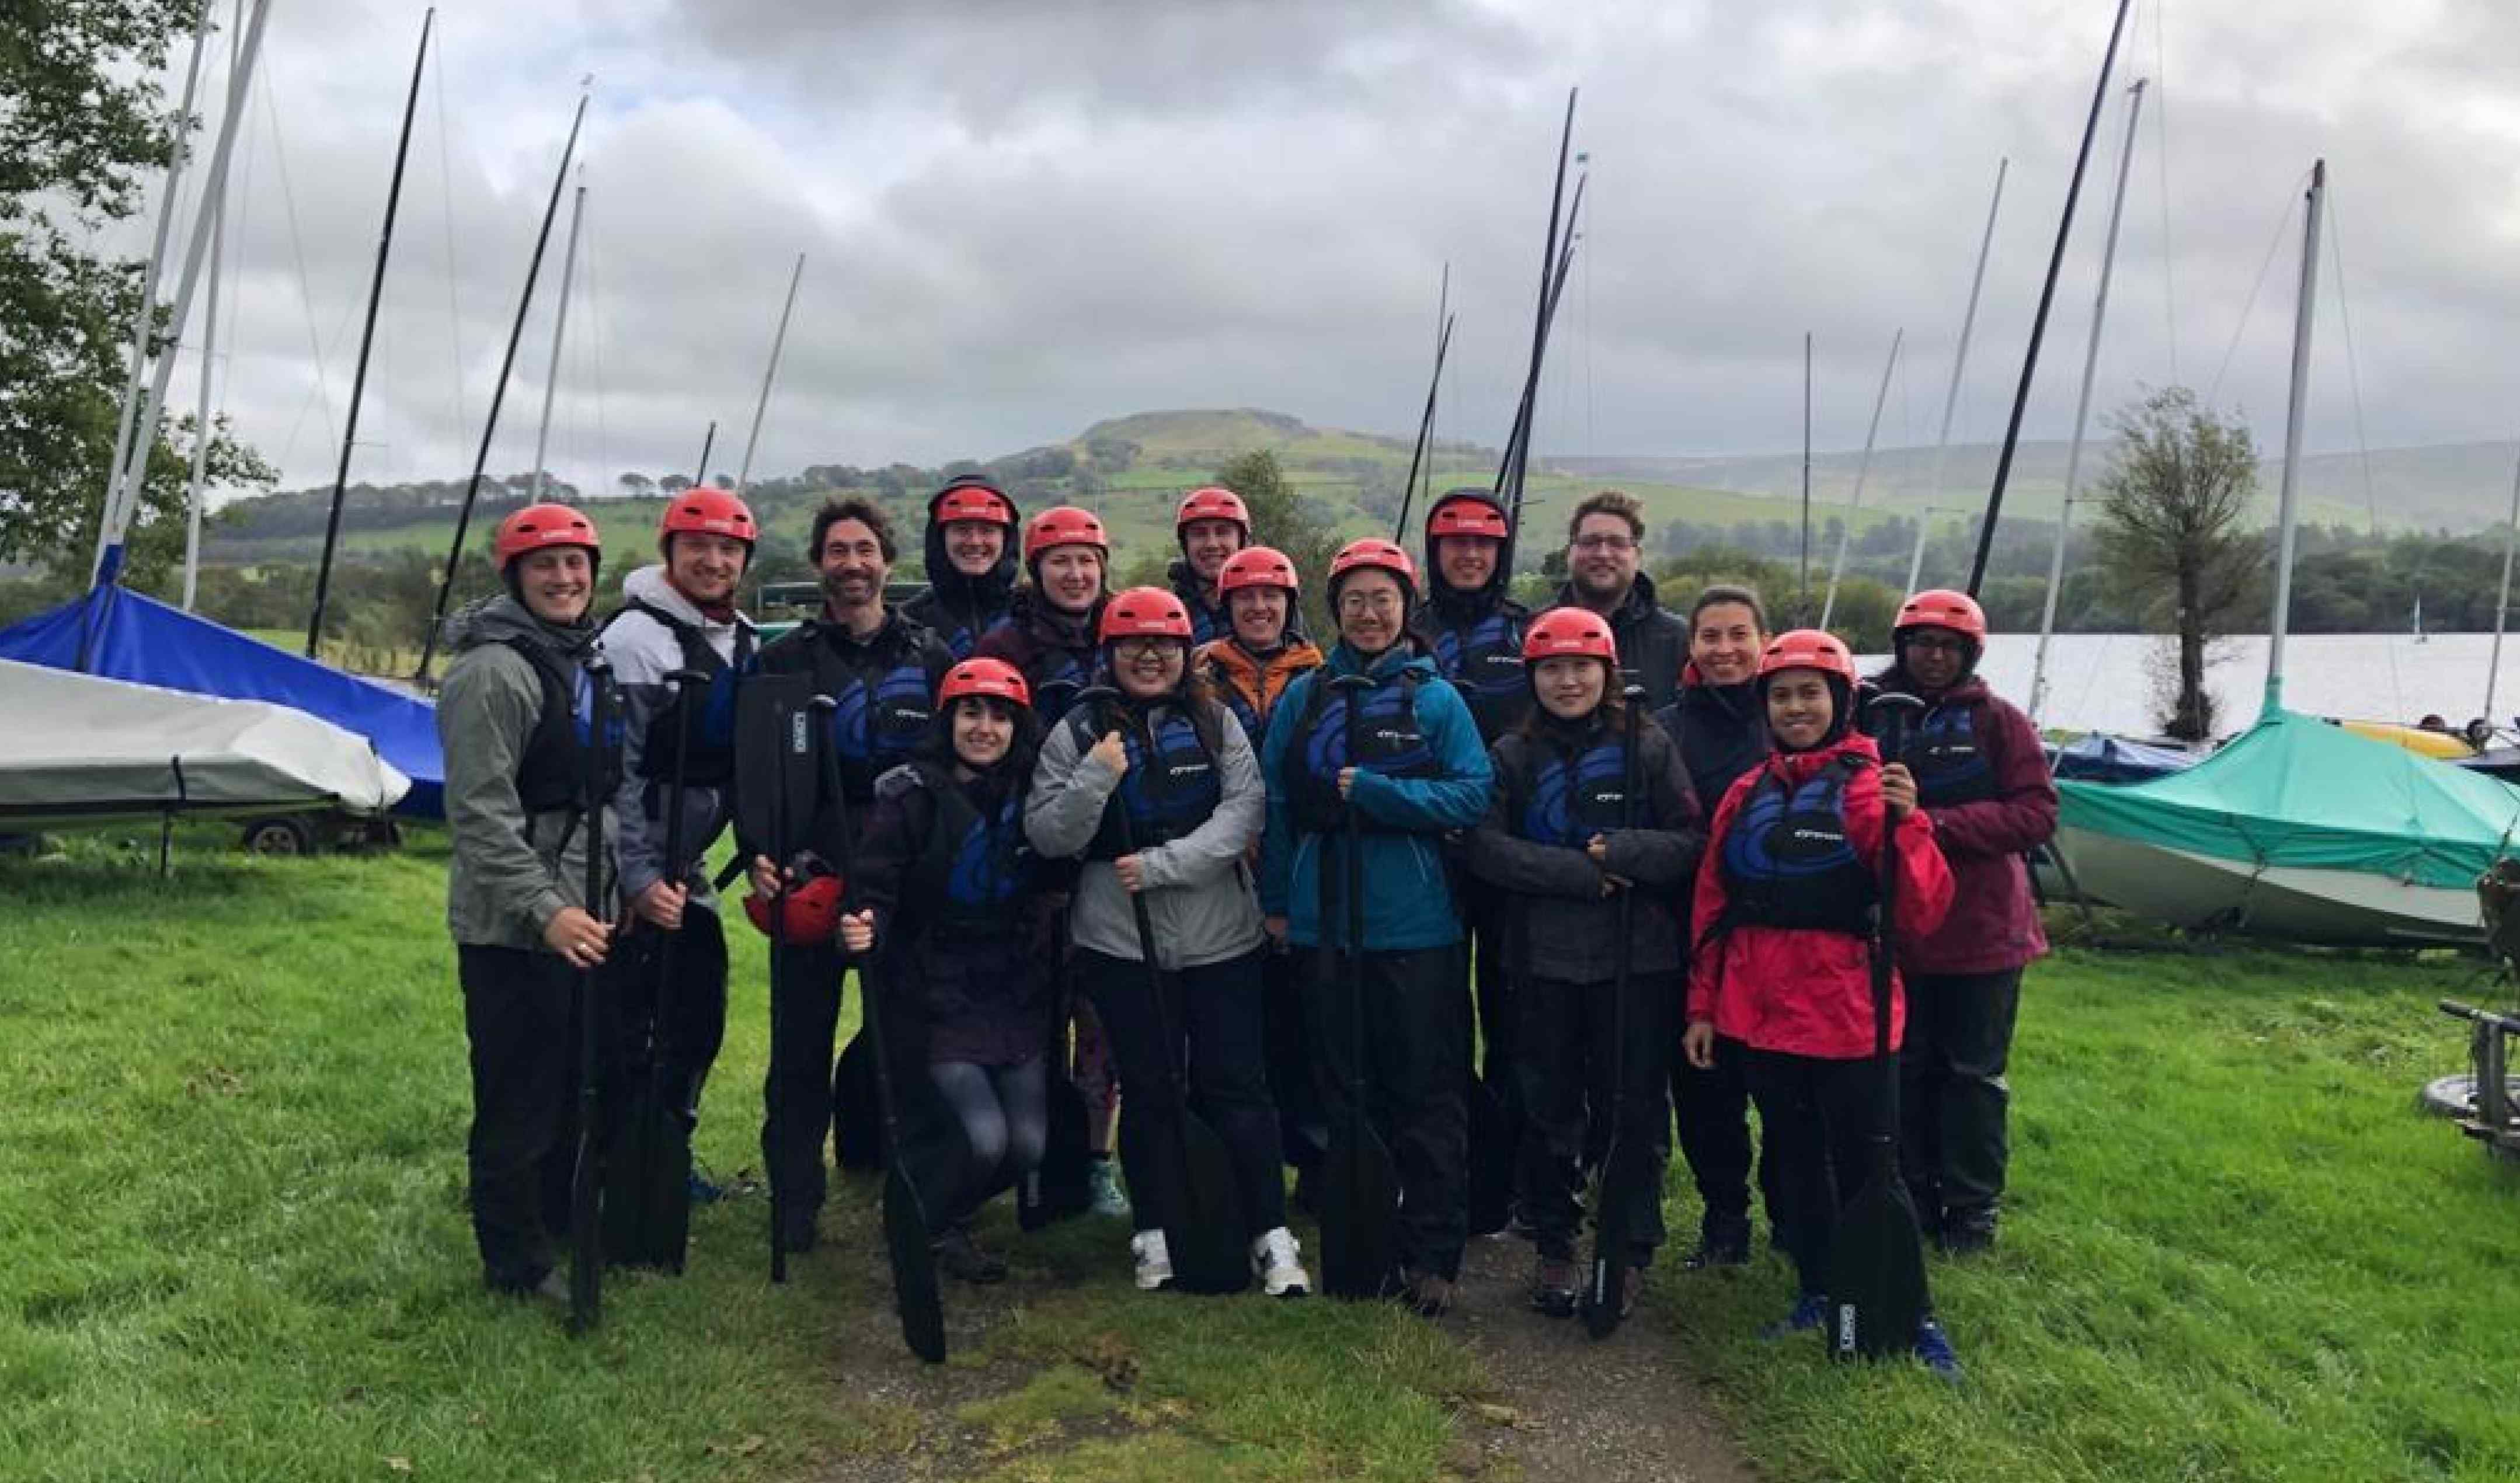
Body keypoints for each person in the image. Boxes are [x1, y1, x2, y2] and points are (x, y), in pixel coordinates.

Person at [1681, 629, 1959, 1377]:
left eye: (1810, 693)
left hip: (1848, 1012)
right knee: (1793, 1159)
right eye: (1781, 694)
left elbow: (1924, 909)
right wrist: (1702, 1006)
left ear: (1841, 701)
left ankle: (1909, 1308)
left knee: (1873, 1163)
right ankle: (1815, 1286)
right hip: (1760, 1009)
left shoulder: (1875, 787)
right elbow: (1711, 905)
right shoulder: (1748, 791)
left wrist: (1909, 824)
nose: (1795, 706)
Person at [1025, 587, 1310, 1296]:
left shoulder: (1214, 721)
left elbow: (1245, 810)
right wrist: (1096, 777)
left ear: (1186, 653)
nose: (1149, 656)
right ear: (1110, 653)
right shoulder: (1077, 728)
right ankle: (1154, 1226)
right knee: (1152, 1087)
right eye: (1132, 645)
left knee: (1238, 1085)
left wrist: (1162, 866)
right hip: (1120, 942)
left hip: (1220, 935)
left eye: (1164, 645)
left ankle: (1268, 1231)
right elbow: (1048, 833)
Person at [1259, 538, 1494, 1316]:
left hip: (1416, 930)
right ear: (1336, 610)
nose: (1368, 613)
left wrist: (1386, 797)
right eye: (1354, 600)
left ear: (1406, 607)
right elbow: (1280, 806)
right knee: (1342, 1091)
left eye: (1382, 599)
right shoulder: (1306, 695)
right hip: (1327, 927)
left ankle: (1433, 1253)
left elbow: (1471, 794)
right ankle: (1365, 1238)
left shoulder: (1437, 700)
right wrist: (1280, 904)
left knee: (1426, 1095)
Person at [1463, 607, 1702, 1320]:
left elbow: (1691, 837)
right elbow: (1482, 845)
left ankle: (1627, 1247)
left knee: (1634, 1112)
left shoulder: (1649, 746)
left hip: (1638, 961)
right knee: (1547, 1110)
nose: (1567, 680)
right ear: (1532, 676)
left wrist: (1628, 853)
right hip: (1542, 960)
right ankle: (1555, 1242)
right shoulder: (1510, 753)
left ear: (1606, 672)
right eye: (1551, 668)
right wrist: (1577, 872)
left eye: (1580, 667)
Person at [747, 497, 952, 1254]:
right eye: (838, 551)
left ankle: (914, 1197)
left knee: (906, 1047)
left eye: (865, 550)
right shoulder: (783, 663)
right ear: (818, 565)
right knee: (798, 1055)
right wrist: (764, 854)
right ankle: (794, 1204)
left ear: (887, 563)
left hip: (900, 887)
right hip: (813, 882)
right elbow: (757, 779)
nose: (852, 564)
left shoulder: (929, 659)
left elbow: (954, 773)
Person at [437, 502, 613, 1300]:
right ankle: (514, 1261)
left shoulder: (577, 654)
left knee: (572, 1081)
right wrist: (546, 909)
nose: (564, 578)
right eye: (545, 565)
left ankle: (559, 1223)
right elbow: (480, 813)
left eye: (576, 564)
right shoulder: (492, 671)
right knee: (517, 1095)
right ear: (515, 575)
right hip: (514, 927)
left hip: (581, 909)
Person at [838, 657, 1054, 1283]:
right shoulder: (908, 794)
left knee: (1027, 1146)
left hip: (1013, 983)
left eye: (999, 716)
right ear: (947, 719)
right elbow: (874, 879)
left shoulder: (1031, 792)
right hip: (933, 984)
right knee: (981, 1137)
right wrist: (863, 922)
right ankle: (926, 1225)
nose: (984, 727)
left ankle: (943, 1209)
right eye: (970, 712)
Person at [1861, 589, 2057, 1254]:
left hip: (1981, 935)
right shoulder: (1869, 712)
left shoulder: (1999, 723)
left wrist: (1933, 823)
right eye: (1921, 644)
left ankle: (1971, 1206)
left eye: (1948, 647)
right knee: (1903, 1070)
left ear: (1969, 653)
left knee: (1972, 1077)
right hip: (1900, 933)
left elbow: (2035, 813)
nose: (1934, 657)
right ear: (1901, 647)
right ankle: (1910, 1192)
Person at [603, 487, 757, 1203]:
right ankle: (613, 1162)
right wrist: (634, 878)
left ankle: (667, 1154)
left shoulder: (741, 637)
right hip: (627, 866)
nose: (713, 560)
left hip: (688, 863)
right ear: (669, 551)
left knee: (697, 1014)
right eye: (698, 546)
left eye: (729, 549)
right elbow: (620, 770)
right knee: (630, 1020)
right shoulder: (635, 640)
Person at [977, 504, 1126, 1214]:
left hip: (1105, 858)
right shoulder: (1004, 646)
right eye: (1059, 560)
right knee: (1031, 1019)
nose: (1074, 573)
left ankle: (1095, 1161)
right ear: (1035, 570)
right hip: (1027, 857)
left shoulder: (1124, 636)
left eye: (1086, 561)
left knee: (1100, 1024)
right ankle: (1031, 1162)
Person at [1405, 486, 1532, 1235]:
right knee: (1437, 1017)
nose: (1469, 554)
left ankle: (1516, 1174)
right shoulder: (1406, 632)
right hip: (1430, 849)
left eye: (1483, 542)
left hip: (1511, 847)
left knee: (1516, 1017)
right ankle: (1442, 1167)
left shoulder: (1528, 631)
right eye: (1454, 542)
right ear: (1434, 552)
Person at [1651, 583, 1782, 1269]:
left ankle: (1795, 1216)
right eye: (1710, 636)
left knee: (1789, 1089)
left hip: (1784, 939)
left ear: (1762, 640)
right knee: (1704, 1089)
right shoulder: (1665, 728)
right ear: (1691, 646)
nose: (1724, 649)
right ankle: (1724, 1215)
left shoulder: (1792, 714)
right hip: (1690, 935)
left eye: (1738, 634)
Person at [1192, 545, 1328, 1195]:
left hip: (1298, 868)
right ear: (1226, 607)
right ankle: (1237, 1158)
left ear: (1290, 604)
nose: (1258, 607)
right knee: (1232, 1029)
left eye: (1271, 596)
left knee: (1304, 1024)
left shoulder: (1319, 676)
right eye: (1244, 598)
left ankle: (1312, 1155)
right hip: (1222, 871)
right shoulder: (1200, 678)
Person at [1555, 490, 1686, 710]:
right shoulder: (1530, 633)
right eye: (1590, 542)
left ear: (1637, 556)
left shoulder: (1679, 640)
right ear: (1570, 553)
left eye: (1617, 543)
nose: (1603, 554)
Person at [900, 474, 1022, 660]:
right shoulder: (908, 621)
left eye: (987, 530)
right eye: (962, 529)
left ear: (1006, 540)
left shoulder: (1031, 615)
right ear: (940, 539)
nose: (975, 542)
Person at [1168, 486, 1254, 647]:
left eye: (1223, 532)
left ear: (1241, 541)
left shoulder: (1270, 605)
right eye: (1199, 534)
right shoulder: (1170, 611)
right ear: (1185, 545)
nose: (1212, 544)